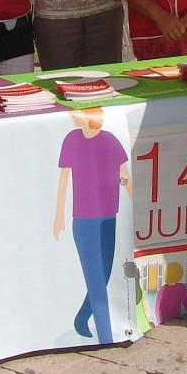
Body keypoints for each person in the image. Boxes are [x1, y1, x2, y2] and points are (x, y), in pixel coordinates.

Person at [52, 107, 132, 344]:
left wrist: (130, 193)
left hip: (109, 215)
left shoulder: (109, 140)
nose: (72, 115)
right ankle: (106, 339)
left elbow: (124, 174)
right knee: (97, 283)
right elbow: (64, 180)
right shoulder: (71, 140)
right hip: (84, 220)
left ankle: (81, 318)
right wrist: (59, 215)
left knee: (104, 275)